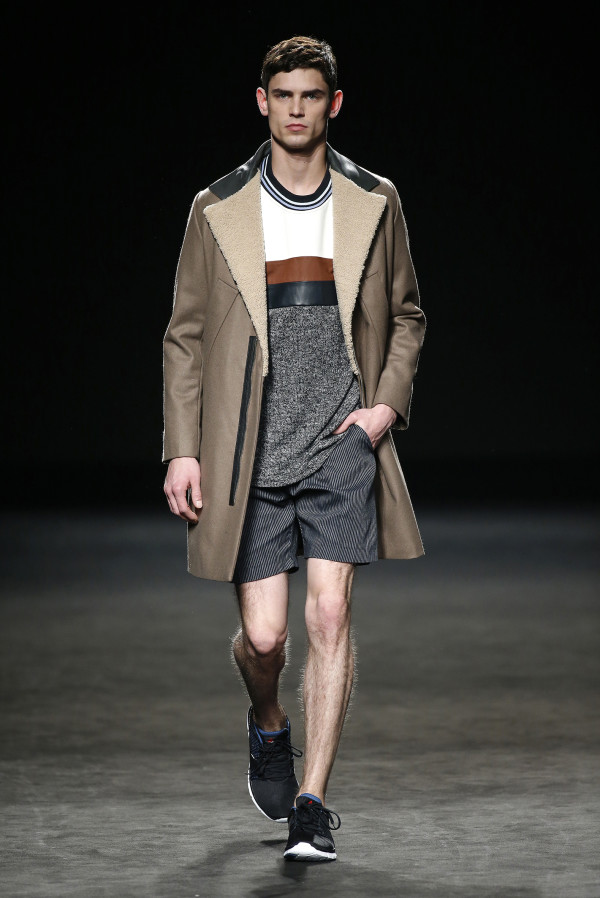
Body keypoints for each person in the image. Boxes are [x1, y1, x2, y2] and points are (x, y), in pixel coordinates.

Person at [162, 35, 426, 863]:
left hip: (341, 440)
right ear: (263, 102)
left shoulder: (373, 200)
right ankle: (268, 721)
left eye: (312, 95)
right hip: (247, 451)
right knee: (268, 639)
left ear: (333, 104)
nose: (298, 109)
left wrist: (381, 412)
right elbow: (186, 335)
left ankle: (312, 804)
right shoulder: (218, 207)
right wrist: (182, 448)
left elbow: (407, 316)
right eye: (284, 95)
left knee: (330, 613)